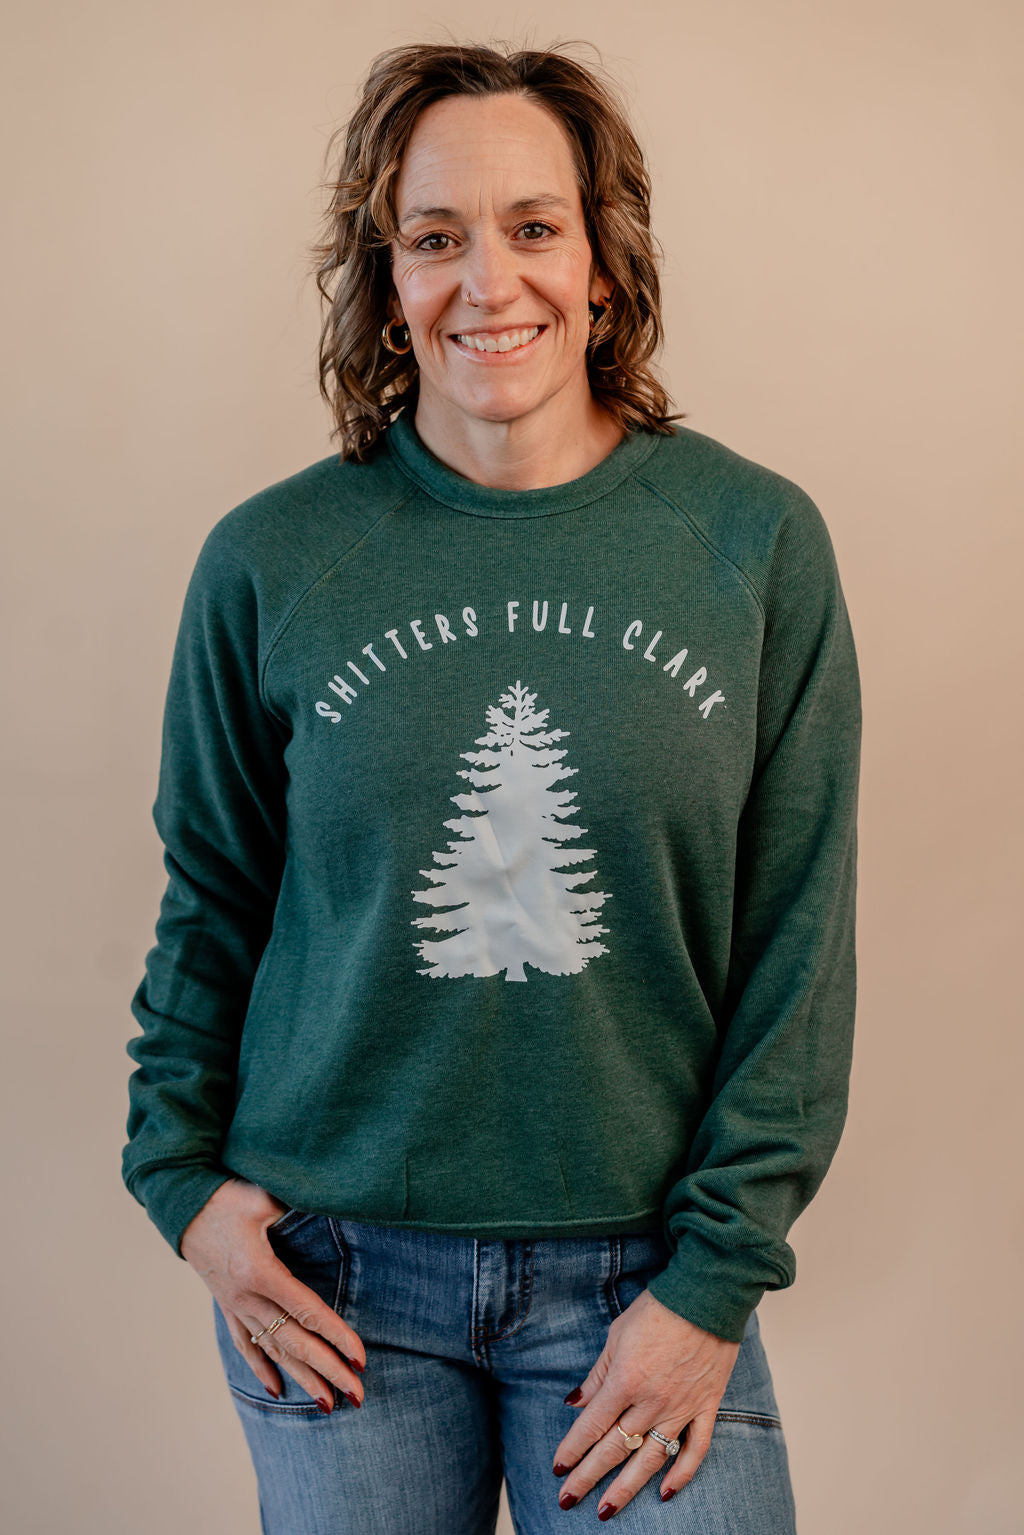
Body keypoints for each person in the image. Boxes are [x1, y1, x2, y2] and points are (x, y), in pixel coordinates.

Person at [121, 38, 861, 1535]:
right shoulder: (269, 561)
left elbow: (801, 941)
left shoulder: (754, 544)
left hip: (644, 1278)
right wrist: (181, 1189)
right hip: (334, 1279)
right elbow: (213, 901)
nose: (488, 281)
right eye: (435, 237)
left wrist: (712, 1284)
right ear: (387, 276)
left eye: (534, 227)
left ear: (602, 260)